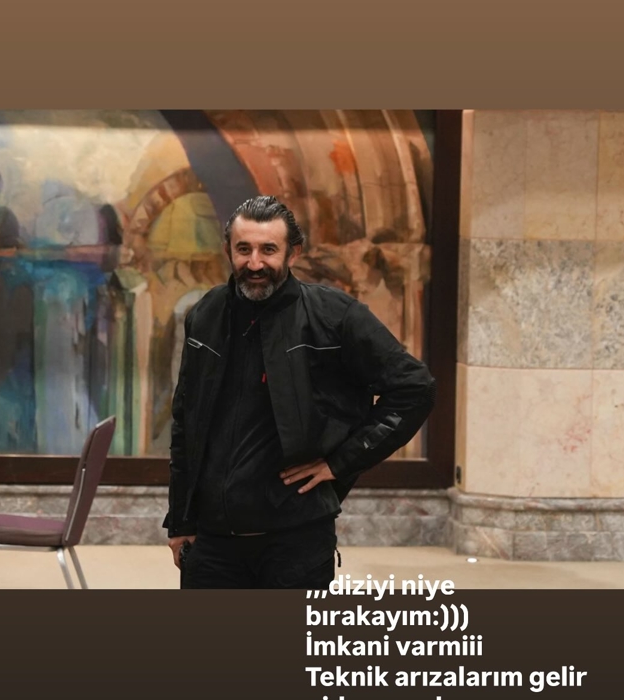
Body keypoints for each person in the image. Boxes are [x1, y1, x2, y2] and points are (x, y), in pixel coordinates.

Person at [163, 195, 435, 588]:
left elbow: (414, 388)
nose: (255, 263)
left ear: (293, 253)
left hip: (296, 544)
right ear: (228, 251)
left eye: (268, 250)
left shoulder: (334, 316)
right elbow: (184, 423)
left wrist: (339, 463)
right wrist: (179, 521)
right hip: (212, 543)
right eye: (244, 249)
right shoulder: (206, 315)